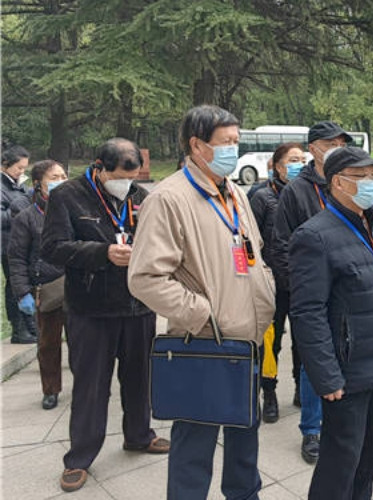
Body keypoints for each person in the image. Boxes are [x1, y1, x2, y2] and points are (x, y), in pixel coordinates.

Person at [128, 105, 275, 500]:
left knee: (246, 435)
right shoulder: (169, 198)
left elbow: (252, 253)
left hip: (248, 337)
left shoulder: (236, 192)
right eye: (226, 142)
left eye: (236, 141)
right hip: (206, 343)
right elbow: (145, 278)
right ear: (196, 145)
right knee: (195, 444)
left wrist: (266, 290)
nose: (234, 149)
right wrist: (201, 314)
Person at [41, 138, 168, 493]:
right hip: (91, 308)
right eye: (118, 177)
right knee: (91, 386)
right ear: (99, 167)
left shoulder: (140, 196)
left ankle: (139, 435)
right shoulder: (68, 196)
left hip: (138, 305)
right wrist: (102, 252)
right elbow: (52, 248)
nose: (125, 184)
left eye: (132, 177)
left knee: (139, 378)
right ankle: (79, 457)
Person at [289, 146, 373, 500]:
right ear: (338, 182)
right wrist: (326, 377)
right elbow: (307, 313)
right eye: (363, 177)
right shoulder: (315, 236)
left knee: (370, 460)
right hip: (347, 374)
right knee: (339, 466)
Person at [272, 120, 351, 464]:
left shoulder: (347, 182)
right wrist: (301, 288)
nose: (336, 147)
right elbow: (280, 246)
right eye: (330, 142)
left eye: (341, 142)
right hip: (312, 292)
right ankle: (311, 430)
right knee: (311, 361)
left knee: (345, 356)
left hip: (347, 291)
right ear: (314, 147)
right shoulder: (297, 190)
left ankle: (339, 424)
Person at [249, 142, 305, 423]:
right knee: (271, 343)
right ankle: (268, 392)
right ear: (277, 165)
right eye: (292, 159)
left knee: (304, 340)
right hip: (272, 284)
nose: (298, 164)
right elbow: (251, 242)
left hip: (304, 281)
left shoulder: (308, 193)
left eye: (301, 159)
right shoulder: (261, 198)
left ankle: (300, 387)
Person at [8, 160, 68, 410]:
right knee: (48, 344)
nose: (61, 180)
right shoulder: (27, 218)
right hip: (46, 288)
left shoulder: (72, 210)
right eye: (55, 177)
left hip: (77, 286)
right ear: (38, 184)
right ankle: (51, 390)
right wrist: (23, 292)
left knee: (84, 342)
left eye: (64, 175)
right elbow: (17, 258)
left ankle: (89, 386)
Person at [2, 144, 37, 344]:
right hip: (7, 243)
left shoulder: (18, 185)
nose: (21, 172)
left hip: (22, 241)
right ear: (5, 165)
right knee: (14, 286)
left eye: (24, 168)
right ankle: (19, 328)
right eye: (18, 168)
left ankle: (30, 327)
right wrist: (20, 211)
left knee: (25, 285)